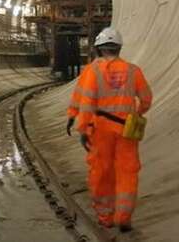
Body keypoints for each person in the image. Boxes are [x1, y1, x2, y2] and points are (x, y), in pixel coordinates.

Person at [65, 27, 153, 232]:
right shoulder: (133, 71)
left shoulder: (92, 71)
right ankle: (123, 217)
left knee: (101, 173)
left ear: (98, 49)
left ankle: (105, 217)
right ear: (119, 48)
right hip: (126, 131)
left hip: (101, 130)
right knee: (127, 172)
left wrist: (80, 125)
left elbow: (84, 101)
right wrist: (137, 114)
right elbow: (146, 99)